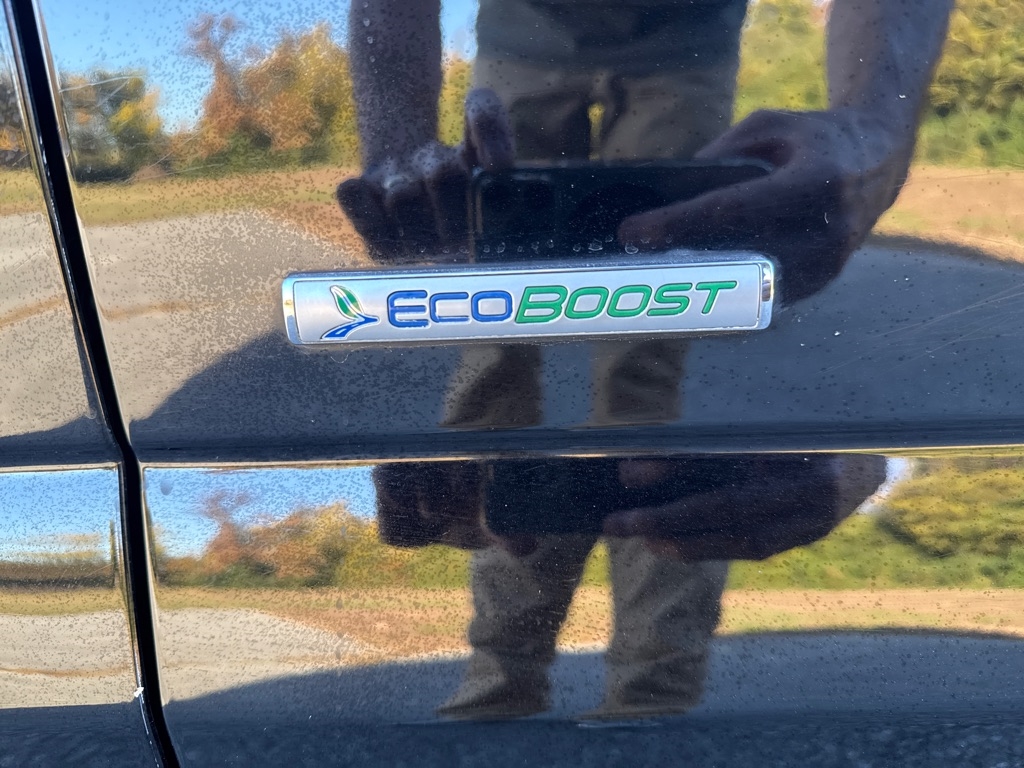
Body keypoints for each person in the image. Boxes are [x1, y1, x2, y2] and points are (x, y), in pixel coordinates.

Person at [341, 0, 951, 720]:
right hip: (535, 42)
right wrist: (397, 154)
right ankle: (509, 679)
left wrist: (872, 129)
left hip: (682, 49)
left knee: (644, 365)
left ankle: (646, 696)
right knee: (503, 351)